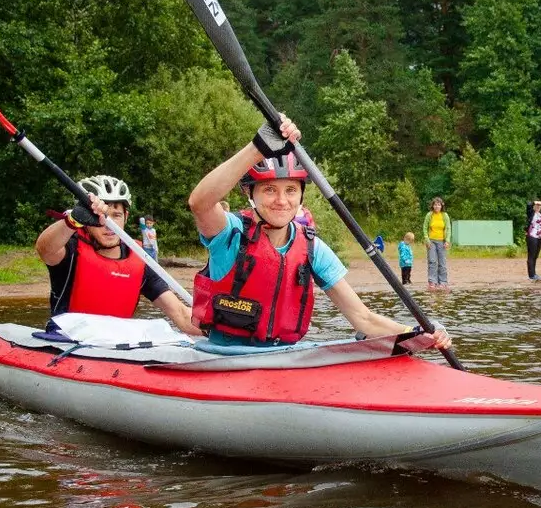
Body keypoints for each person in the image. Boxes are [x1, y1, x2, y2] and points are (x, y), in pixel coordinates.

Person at [187, 117, 452, 351]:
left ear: (301, 194)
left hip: (280, 359)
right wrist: (256, 148)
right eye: (269, 190)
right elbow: (199, 202)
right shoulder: (230, 233)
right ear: (250, 193)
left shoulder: (312, 247)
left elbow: (363, 318)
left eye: (290, 190)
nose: (282, 200)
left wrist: (419, 334)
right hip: (224, 358)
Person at [34, 175, 199, 335]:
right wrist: (72, 221)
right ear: (86, 220)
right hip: (68, 346)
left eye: (116, 216)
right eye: (98, 217)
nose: (107, 224)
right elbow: (45, 250)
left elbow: (182, 316)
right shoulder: (71, 249)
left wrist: (221, 331)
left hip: (113, 349)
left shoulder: (140, 261)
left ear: (126, 217)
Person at [422, 196, 451, 289]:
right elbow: (425, 228)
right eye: (435, 205)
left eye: (438, 205)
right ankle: (432, 282)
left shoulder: (445, 215)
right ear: (433, 206)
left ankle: (443, 282)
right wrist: (427, 240)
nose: (437, 206)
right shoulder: (429, 215)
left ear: (441, 206)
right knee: (432, 261)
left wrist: (447, 241)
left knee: (442, 262)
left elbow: (448, 228)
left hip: (442, 241)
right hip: (431, 241)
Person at [525, 199, 541, 281]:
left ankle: (534, 274)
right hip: (531, 236)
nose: (538, 207)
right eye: (537, 205)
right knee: (531, 256)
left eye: (540, 206)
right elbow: (528, 205)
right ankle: (531, 275)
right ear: (534, 206)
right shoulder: (531, 213)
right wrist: (534, 202)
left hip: (539, 237)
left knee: (535, 256)